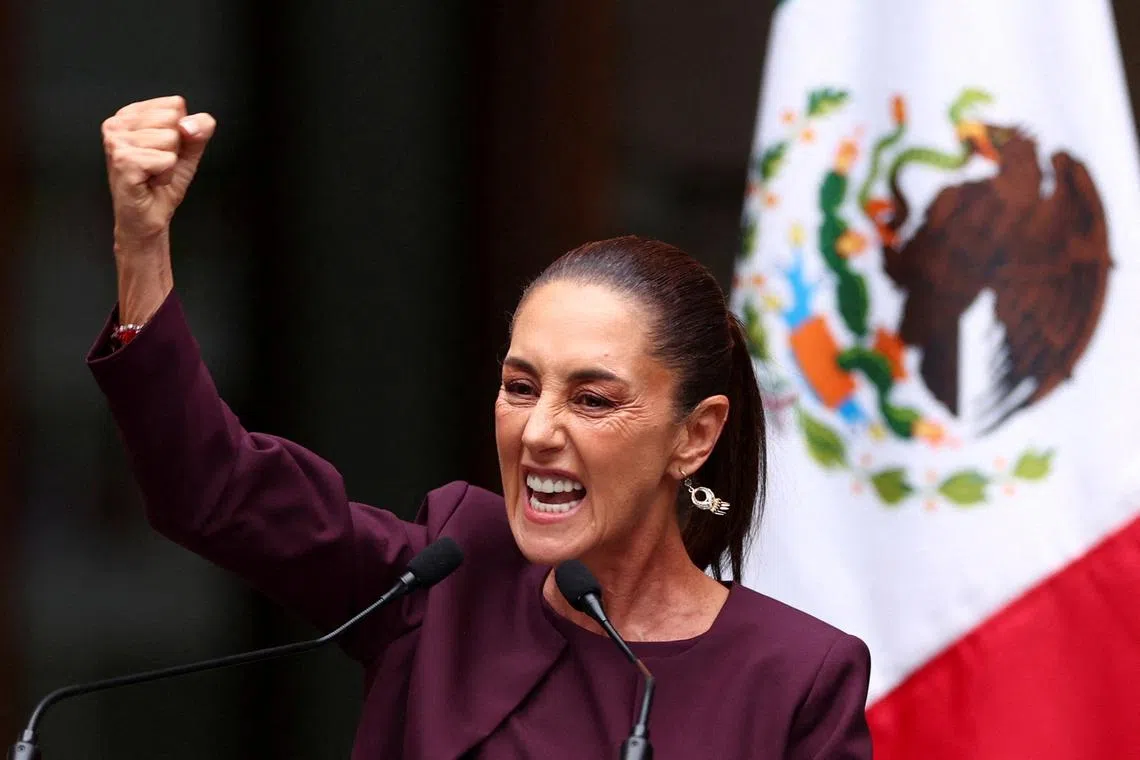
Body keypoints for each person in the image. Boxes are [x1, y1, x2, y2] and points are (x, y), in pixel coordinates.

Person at [92, 96, 872, 759]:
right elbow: (213, 489)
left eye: (593, 400)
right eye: (520, 386)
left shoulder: (798, 675)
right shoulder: (446, 578)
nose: (537, 432)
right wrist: (142, 243)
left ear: (694, 437)